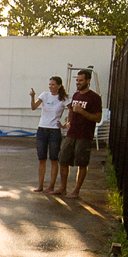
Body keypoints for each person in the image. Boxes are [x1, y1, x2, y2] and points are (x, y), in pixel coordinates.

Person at [51, 69, 102, 199]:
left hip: (84, 135)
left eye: (81, 80)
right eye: (77, 80)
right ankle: (62, 188)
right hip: (71, 133)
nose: (78, 83)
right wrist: (67, 122)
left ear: (88, 81)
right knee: (63, 159)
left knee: (81, 163)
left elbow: (98, 118)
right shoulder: (75, 95)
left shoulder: (94, 97)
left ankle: (76, 191)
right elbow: (72, 112)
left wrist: (82, 112)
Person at [29, 76, 71, 192]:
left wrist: (65, 123)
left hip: (54, 130)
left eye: (53, 84)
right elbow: (33, 107)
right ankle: (40, 185)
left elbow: (71, 109)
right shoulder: (44, 95)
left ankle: (51, 185)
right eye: (50, 84)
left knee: (54, 158)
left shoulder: (63, 98)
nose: (51, 86)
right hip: (42, 129)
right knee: (42, 158)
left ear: (59, 86)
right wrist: (32, 97)